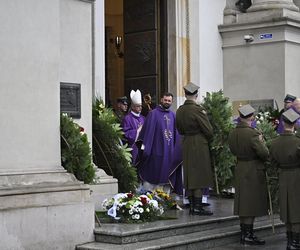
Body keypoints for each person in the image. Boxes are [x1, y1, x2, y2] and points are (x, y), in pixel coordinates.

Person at [228, 104, 269, 245]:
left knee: (243, 202)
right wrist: (262, 142)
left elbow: (232, 150)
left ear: (240, 116)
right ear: (251, 117)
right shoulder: (253, 133)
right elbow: (264, 153)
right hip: (252, 169)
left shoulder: (233, 132)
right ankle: (248, 235)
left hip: (240, 167)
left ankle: (244, 233)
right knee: (250, 203)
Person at [176, 82, 213, 216]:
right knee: (198, 175)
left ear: (185, 94)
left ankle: (192, 205)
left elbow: (179, 129)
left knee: (190, 175)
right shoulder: (198, 110)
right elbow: (209, 130)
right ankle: (197, 207)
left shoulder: (180, 110)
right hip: (198, 142)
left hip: (186, 142)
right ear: (196, 95)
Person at [138, 92, 183, 195]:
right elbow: (146, 134)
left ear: (172, 102)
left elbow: (177, 135)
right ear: (161, 100)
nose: (167, 102)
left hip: (169, 154)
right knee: (153, 175)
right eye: (165, 100)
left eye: (169, 101)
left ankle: (165, 199)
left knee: (166, 180)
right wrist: (144, 151)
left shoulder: (173, 115)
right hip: (155, 153)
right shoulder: (153, 114)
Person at [270, 109, 300, 250]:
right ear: (294, 123)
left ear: (283, 122)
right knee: (296, 209)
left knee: (287, 208)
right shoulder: (297, 142)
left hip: (282, 176)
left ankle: (289, 240)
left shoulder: (275, 142)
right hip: (296, 176)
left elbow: (272, 162)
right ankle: (295, 242)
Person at [122, 89, 145, 165]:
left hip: (143, 146)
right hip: (132, 147)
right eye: (138, 106)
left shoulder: (143, 118)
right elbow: (125, 133)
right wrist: (137, 131)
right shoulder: (127, 118)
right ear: (132, 107)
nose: (140, 108)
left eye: (141, 106)